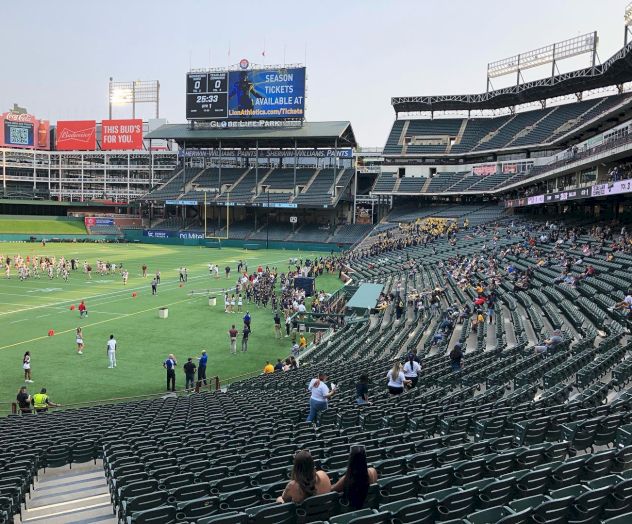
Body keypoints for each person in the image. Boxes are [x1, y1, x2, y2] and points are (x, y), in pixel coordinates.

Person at [331, 446, 378, 510]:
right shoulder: (373, 472)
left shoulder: (347, 479)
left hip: (351, 510)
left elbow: (332, 490)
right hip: (366, 507)